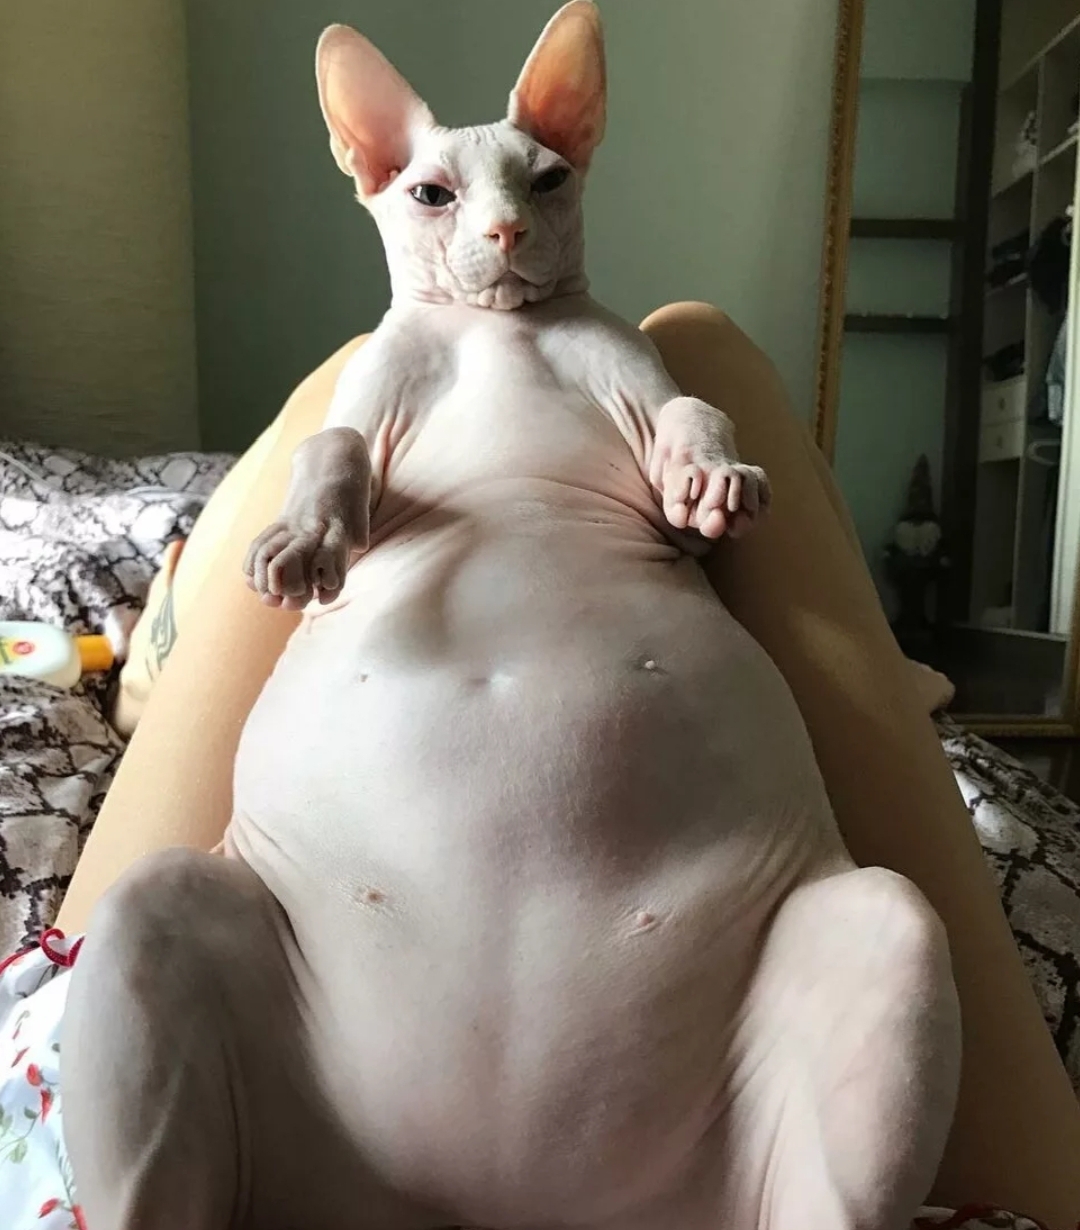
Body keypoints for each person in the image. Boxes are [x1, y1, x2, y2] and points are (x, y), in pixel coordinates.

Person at [58, 303, 1080, 1228]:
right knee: (692, 341)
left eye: (544, 185)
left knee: (149, 914)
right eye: (434, 194)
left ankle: (158, 648)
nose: (501, 231)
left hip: (564, 1123)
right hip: (629, 1144)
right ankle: (154, 648)